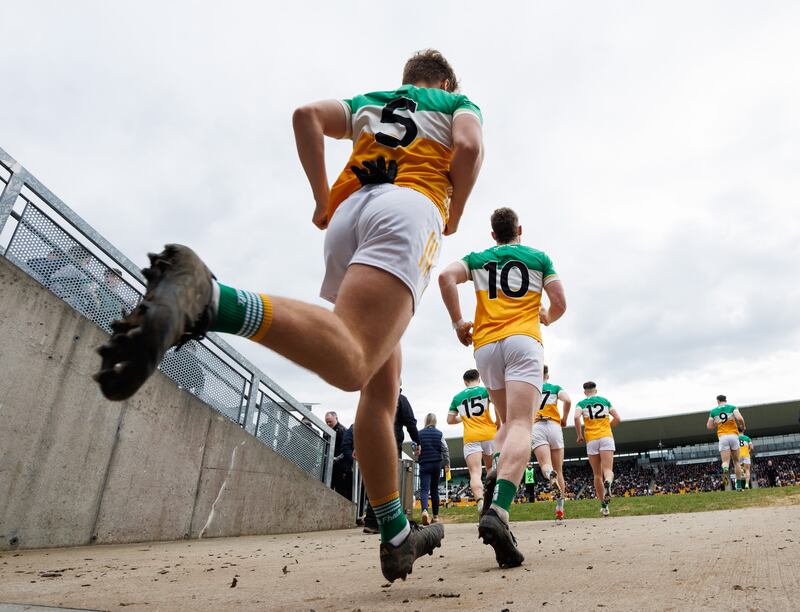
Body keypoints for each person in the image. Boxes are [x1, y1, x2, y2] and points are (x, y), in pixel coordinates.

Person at [95, 49, 483, 582]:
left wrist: (323, 201)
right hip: (411, 206)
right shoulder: (456, 100)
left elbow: (306, 117)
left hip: (351, 216)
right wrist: (455, 210)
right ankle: (211, 300)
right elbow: (467, 146)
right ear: (442, 80)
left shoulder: (374, 101)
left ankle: (395, 534)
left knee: (379, 384)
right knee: (352, 362)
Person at [438, 207, 566, 568]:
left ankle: (495, 473)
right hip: (523, 339)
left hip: (486, 346)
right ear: (519, 230)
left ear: (493, 235)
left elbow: (446, 277)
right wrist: (546, 316)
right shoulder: (538, 257)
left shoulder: (478, 259)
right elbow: (560, 304)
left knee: (508, 422)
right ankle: (500, 509)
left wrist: (459, 322)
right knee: (523, 424)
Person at [447, 369, 496, 508]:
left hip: (471, 436)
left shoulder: (457, 397)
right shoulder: (486, 391)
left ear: (465, 382)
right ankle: (492, 502)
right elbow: (498, 405)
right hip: (489, 434)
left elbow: (449, 420)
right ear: (479, 379)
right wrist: (498, 422)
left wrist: (462, 418)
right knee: (491, 468)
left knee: (475, 473)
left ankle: (480, 502)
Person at [575, 382, 621, 517]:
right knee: (608, 471)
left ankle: (604, 507)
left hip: (592, 439)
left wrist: (579, 435)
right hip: (606, 436)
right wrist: (608, 428)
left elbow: (576, 417)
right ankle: (609, 482)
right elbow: (618, 418)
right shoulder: (604, 401)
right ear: (596, 390)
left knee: (597, 475)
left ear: (585, 392)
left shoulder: (581, 404)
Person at [533, 364, 572, 520]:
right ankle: (560, 508)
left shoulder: (531, 388)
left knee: (545, 465)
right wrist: (564, 419)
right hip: (554, 426)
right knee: (560, 470)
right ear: (547, 376)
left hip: (537, 426)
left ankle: (550, 474)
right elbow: (568, 400)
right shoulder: (555, 387)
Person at [706, 394, 746, 491]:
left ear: (718, 401)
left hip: (723, 437)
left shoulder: (713, 411)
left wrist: (716, 423)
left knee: (725, 462)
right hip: (733, 435)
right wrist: (743, 426)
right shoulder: (732, 407)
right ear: (726, 400)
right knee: (736, 462)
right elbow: (740, 418)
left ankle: (725, 469)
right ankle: (739, 486)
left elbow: (709, 426)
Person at [418, 413, 450, 525]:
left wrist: (416, 454)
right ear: (435, 421)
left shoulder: (419, 433)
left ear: (426, 421)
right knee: (434, 490)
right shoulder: (439, 433)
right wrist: (447, 463)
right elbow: (445, 449)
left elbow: (415, 448)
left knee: (424, 489)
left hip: (424, 464)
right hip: (436, 464)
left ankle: (425, 511)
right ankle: (435, 516)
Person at [326, 411, 349, 498]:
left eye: (330, 422)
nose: (328, 424)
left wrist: (336, 459)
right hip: (330, 464)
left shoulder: (342, 431)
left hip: (340, 465)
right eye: (327, 422)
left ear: (336, 419)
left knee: (340, 490)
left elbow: (345, 449)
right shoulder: (326, 430)